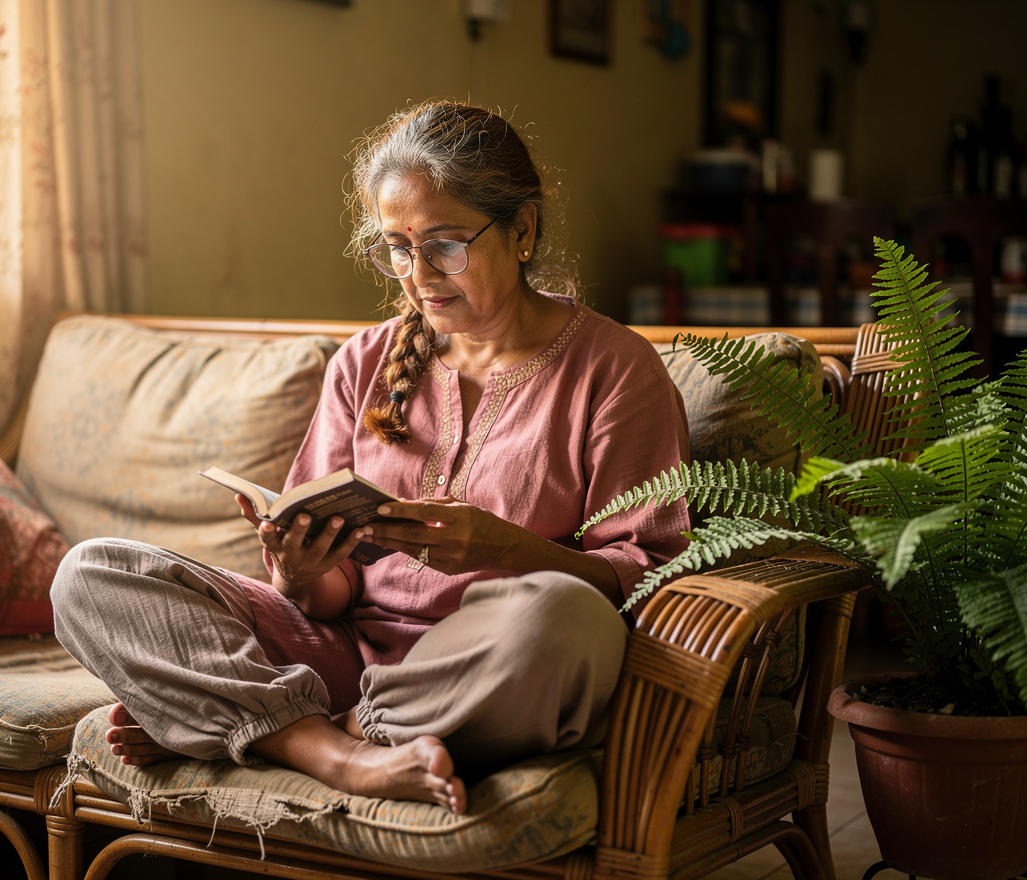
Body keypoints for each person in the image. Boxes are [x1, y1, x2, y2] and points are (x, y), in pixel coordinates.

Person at [50, 100, 691, 816]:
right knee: (92, 573)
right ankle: (338, 754)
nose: (416, 275)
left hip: (485, 665)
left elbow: (652, 582)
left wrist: (508, 552)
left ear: (523, 230)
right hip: (335, 654)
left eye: (445, 245)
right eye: (396, 247)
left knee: (566, 620)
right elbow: (327, 600)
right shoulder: (366, 361)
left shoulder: (617, 371)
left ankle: (267, 728)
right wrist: (299, 569)